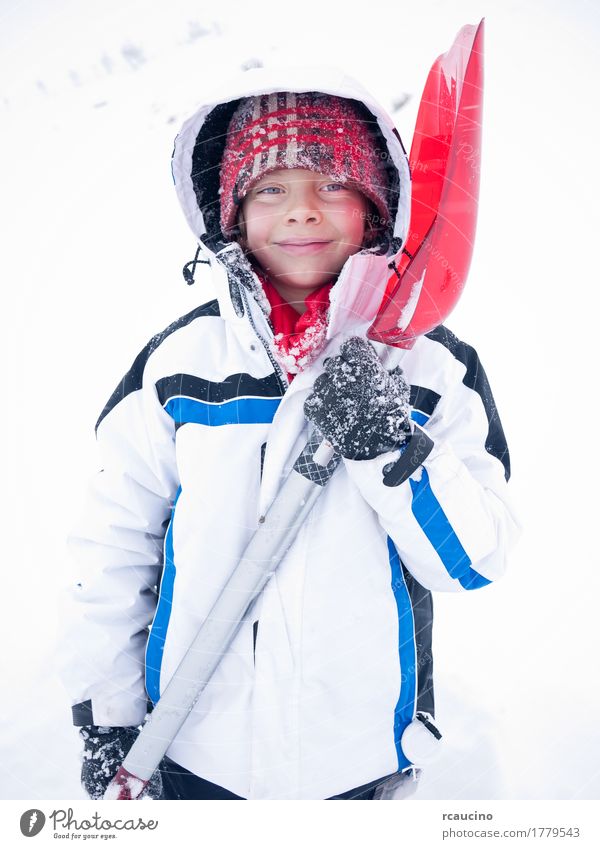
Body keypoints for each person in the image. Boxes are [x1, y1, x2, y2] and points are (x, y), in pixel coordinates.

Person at [59, 67, 519, 801]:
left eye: (333, 184)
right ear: (231, 211)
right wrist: (109, 714)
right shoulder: (182, 366)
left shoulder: (433, 369)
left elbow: (472, 557)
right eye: (270, 189)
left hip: (356, 764)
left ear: (379, 207)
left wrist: (388, 443)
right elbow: (113, 547)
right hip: (189, 751)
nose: (301, 211)